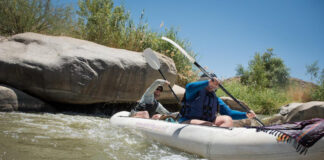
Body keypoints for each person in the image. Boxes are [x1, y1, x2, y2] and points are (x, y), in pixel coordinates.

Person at [178, 73, 256, 127]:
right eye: (210, 82)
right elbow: (189, 86)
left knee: (227, 119)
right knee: (208, 124)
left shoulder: (215, 99)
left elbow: (230, 113)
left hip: (208, 124)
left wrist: (245, 115)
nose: (212, 85)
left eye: (214, 84)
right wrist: (208, 82)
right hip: (188, 121)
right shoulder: (193, 92)